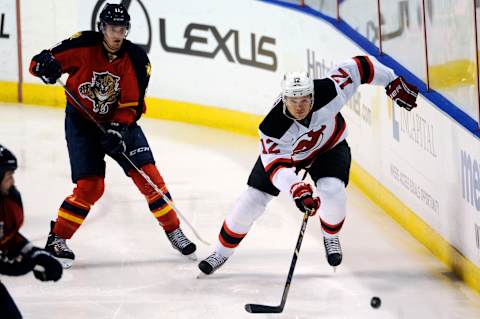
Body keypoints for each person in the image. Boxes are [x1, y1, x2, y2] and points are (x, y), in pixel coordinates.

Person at [198, 55, 418, 275]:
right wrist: (297, 189)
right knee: (252, 200)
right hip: (288, 159)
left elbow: (359, 66)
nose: (299, 106)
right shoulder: (272, 127)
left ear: (312, 94)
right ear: (284, 99)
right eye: (293, 100)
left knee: (333, 192)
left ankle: (330, 236)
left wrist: (391, 79)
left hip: (329, 147)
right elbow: (277, 168)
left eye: (304, 99)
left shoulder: (329, 91)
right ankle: (220, 252)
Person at [28, 3, 196, 268]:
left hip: (121, 124)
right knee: (91, 187)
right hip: (82, 123)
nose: (117, 34)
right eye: (112, 28)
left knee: (150, 178)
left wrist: (118, 129)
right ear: (101, 28)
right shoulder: (82, 44)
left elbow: (132, 104)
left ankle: (174, 230)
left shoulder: (137, 60)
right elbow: (40, 61)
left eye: (122, 28)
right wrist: (42, 67)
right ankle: (57, 238)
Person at [0, 145, 63, 318]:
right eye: (8, 176)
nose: (12, 182)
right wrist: (11, 267)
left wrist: (37, 255)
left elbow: (8, 239)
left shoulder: (8, 202)